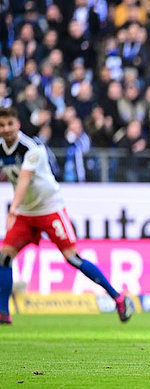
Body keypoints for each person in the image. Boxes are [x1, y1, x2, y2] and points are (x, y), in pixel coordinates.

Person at [0, 107, 134, 325]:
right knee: (4, 257)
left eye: (9, 124)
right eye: (2, 125)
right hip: (26, 213)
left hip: (49, 209)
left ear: (18, 125)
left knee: (73, 258)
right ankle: (3, 313)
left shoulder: (32, 148)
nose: (6, 129)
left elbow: (24, 179)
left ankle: (118, 298)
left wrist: (13, 209)